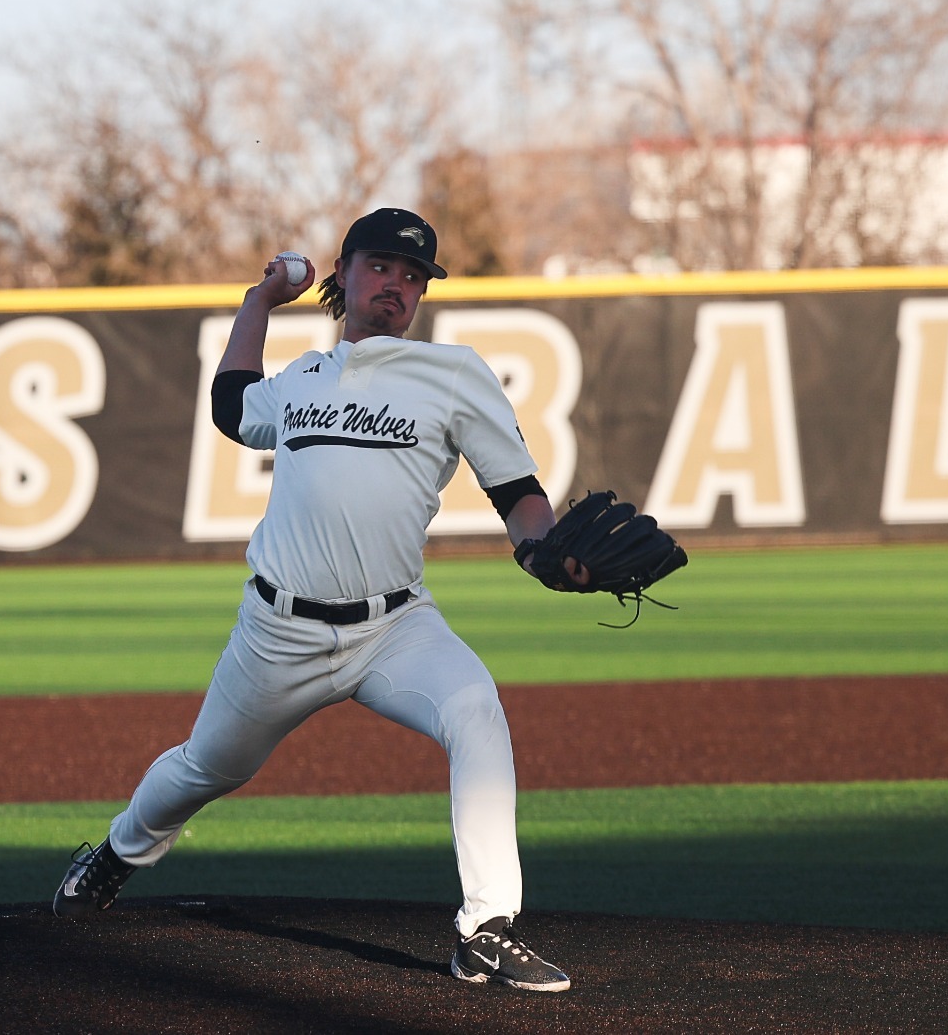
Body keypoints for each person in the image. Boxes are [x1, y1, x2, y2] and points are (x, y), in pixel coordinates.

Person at [52, 207, 579, 993]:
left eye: (412, 276)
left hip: (396, 625)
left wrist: (553, 555)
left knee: (475, 707)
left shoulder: (456, 374)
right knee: (205, 767)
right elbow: (233, 409)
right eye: (380, 266)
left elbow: (520, 496)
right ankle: (118, 851)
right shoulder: (302, 378)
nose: (396, 285)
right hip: (277, 631)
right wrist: (258, 304)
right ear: (345, 275)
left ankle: (487, 928)